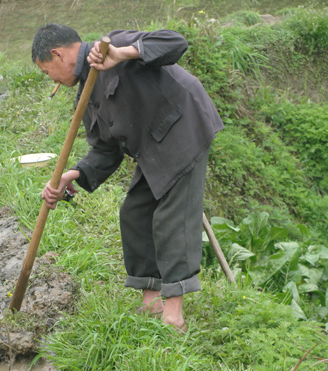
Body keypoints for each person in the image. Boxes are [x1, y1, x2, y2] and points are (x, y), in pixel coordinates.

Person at [32, 23, 224, 332]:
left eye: (47, 71)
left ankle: (174, 315)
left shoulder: (113, 44)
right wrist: (72, 175)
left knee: (171, 219)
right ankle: (152, 300)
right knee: (135, 213)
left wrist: (123, 54)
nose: (51, 79)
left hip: (184, 128)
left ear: (57, 54)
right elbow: (105, 151)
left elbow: (174, 42)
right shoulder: (86, 93)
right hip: (153, 148)